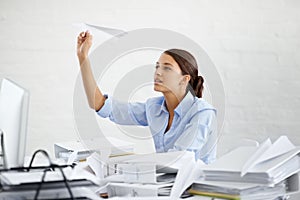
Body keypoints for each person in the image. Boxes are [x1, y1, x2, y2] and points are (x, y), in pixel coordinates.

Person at [77, 31, 217, 164]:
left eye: (167, 68)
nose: (158, 73)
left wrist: (135, 163)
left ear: (184, 79)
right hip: (165, 183)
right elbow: (100, 104)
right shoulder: (154, 108)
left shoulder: (202, 113)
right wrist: (83, 57)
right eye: (157, 67)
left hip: (195, 185)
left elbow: (179, 159)